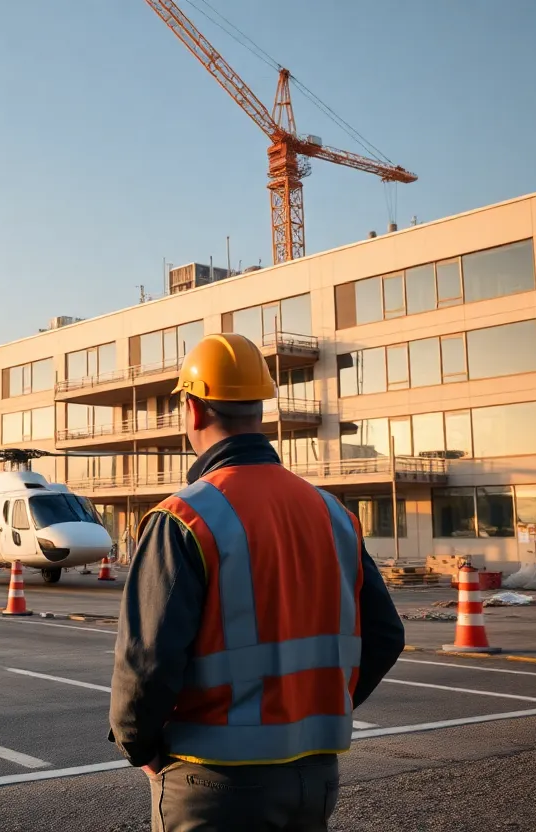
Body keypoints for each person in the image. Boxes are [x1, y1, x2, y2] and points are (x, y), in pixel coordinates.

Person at [108, 332, 405, 831]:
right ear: (259, 413)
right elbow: (385, 636)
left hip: (212, 784)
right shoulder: (333, 513)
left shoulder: (183, 517)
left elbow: (147, 661)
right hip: (314, 778)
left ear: (194, 410)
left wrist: (140, 747)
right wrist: (317, 708)